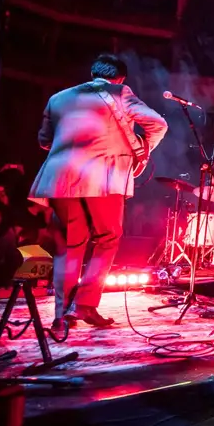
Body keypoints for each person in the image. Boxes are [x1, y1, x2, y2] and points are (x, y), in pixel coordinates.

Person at [29, 54, 168, 328]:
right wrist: (141, 150)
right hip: (102, 179)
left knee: (68, 247)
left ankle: (61, 315)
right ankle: (84, 305)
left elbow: (45, 141)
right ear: (120, 78)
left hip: (60, 179)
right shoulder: (120, 93)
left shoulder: (58, 98)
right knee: (107, 238)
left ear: (93, 73)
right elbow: (158, 124)